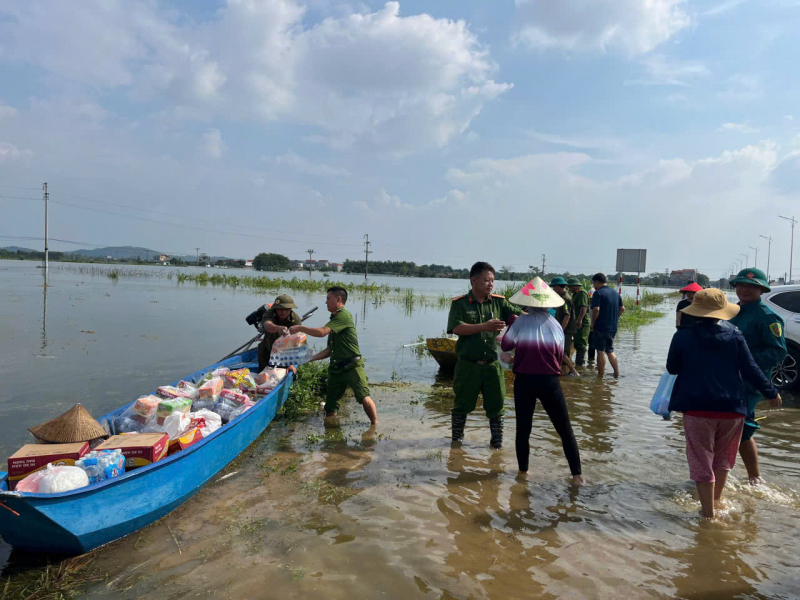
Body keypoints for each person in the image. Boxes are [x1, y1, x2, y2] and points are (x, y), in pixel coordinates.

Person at [667, 288, 781, 518]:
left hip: (697, 408)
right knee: (722, 459)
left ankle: (707, 514)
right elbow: (751, 369)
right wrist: (771, 393)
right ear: (722, 312)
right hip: (732, 409)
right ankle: (717, 502)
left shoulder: (682, 336)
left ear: (695, 311)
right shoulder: (736, 336)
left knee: (701, 459)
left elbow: (672, 368)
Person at [500, 277, 583, 486]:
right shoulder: (556, 326)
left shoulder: (520, 321)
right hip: (550, 382)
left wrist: (514, 352)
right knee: (565, 430)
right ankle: (577, 477)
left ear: (528, 302)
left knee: (523, 430)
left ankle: (523, 473)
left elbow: (506, 345)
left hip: (524, 382)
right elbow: (558, 356)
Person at [447, 262, 521, 448]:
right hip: (468, 365)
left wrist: (530, 316)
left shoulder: (499, 302)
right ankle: (456, 445)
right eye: (487, 280)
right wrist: (484, 327)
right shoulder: (460, 303)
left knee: (497, 409)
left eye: (492, 281)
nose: (490, 284)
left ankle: (496, 448)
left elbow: (519, 316)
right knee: (461, 406)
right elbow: (456, 328)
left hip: (493, 365)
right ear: (474, 280)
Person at [728, 268, 787, 483]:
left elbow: (778, 351)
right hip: (729, 380)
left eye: (751, 286)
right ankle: (718, 476)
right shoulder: (733, 311)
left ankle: (755, 478)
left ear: (761, 289)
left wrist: (745, 358)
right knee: (729, 426)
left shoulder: (767, 316)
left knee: (743, 428)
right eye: (741, 285)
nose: (744, 289)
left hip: (750, 382)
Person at [289, 286, 378, 425]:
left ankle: (375, 426)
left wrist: (300, 328)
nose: (326, 302)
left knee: (363, 397)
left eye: (328, 299)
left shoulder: (343, 315)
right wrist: (310, 359)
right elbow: (329, 350)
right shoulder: (334, 318)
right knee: (330, 407)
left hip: (352, 366)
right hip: (336, 369)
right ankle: (331, 433)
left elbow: (322, 332)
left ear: (338, 299)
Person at [590, 273, 624, 377]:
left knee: (600, 351)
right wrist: (615, 318)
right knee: (610, 350)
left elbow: (596, 309)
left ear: (597, 282)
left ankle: (600, 375)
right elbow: (622, 308)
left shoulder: (598, 293)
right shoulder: (615, 293)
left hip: (601, 327)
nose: (594, 285)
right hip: (612, 327)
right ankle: (616, 373)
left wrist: (593, 323)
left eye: (593, 283)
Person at [257, 295, 303, 372]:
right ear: (276, 308)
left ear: (291, 309)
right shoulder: (269, 313)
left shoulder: (295, 319)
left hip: (286, 353)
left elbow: (296, 343)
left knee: (284, 373)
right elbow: (267, 325)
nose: (284, 312)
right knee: (263, 374)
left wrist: (290, 364)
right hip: (267, 350)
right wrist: (278, 328)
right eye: (281, 309)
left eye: (287, 309)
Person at [550, 277, 578, 377]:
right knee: (562, 352)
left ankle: (574, 371)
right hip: (564, 328)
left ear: (559, 286)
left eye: (554, 287)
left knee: (562, 353)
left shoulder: (565, 299)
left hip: (566, 329)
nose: (553, 289)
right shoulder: (561, 297)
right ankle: (563, 373)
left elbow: (567, 315)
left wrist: (560, 330)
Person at [567, 278, 591, 366]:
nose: (569, 289)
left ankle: (580, 365)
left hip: (582, 322)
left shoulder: (582, 294)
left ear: (575, 286)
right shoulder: (576, 294)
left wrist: (579, 319)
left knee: (581, 343)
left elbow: (583, 307)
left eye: (570, 287)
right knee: (577, 342)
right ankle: (579, 365)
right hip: (577, 321)